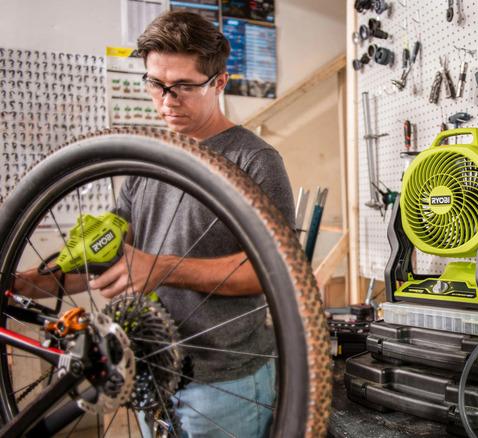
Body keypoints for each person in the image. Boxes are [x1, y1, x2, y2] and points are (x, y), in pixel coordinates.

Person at [14, 10, 295, 438]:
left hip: (223, 382)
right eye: (156, 84)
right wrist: (28, 283)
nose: (167, 100)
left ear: (219, 82)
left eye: (183, 86)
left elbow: (276, 272)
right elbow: (109, 256)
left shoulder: (254, 160)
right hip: (148, 369)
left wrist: (161, 267)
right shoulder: (147, 163)